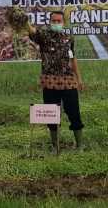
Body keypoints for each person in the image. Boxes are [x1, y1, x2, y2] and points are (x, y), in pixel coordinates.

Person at [27, 11, 85, 150]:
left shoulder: (69, 37)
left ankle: (80, 145)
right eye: (54, 21)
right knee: (51, 115)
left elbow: (73, 58)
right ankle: (55, 146)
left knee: (74, 113)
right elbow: (31, 31)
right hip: (49, 82)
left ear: (63, 22)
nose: (56, 23)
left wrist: (79, 79)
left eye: (59, 21)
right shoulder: (43, 35)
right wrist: (24, 20)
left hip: (68, 81)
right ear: (49, 22)